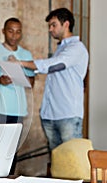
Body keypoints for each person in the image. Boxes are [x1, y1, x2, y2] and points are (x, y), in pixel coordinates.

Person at [16, 8, 89, 150]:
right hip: (50, 115)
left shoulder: (77, 48)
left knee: (71, 162)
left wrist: (21, 63)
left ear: (66, 24)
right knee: (57, 163)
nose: (50, 29)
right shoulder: (60, 49)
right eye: (49, 26)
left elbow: (56, 65)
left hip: (67, 115)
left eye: (53, 25)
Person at [0, 17, 35, 174]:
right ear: (3, 31)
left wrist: (19, 75)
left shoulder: (26, 54)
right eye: (10, 31)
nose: (14, 36)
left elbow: (31, 83)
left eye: (18, 32)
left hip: (18, 111)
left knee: (11, 154)